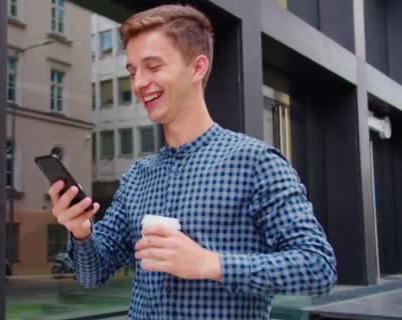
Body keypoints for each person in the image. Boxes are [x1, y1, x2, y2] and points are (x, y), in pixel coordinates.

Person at [48, 4, 337, 319]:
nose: (138, 83)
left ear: (197, 68)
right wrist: (80, 231)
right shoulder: (137, 177)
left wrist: (210, 264)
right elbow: (93, 274)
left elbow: (318, 266)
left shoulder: (255, 162)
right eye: (132, 70)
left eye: (153, 66)